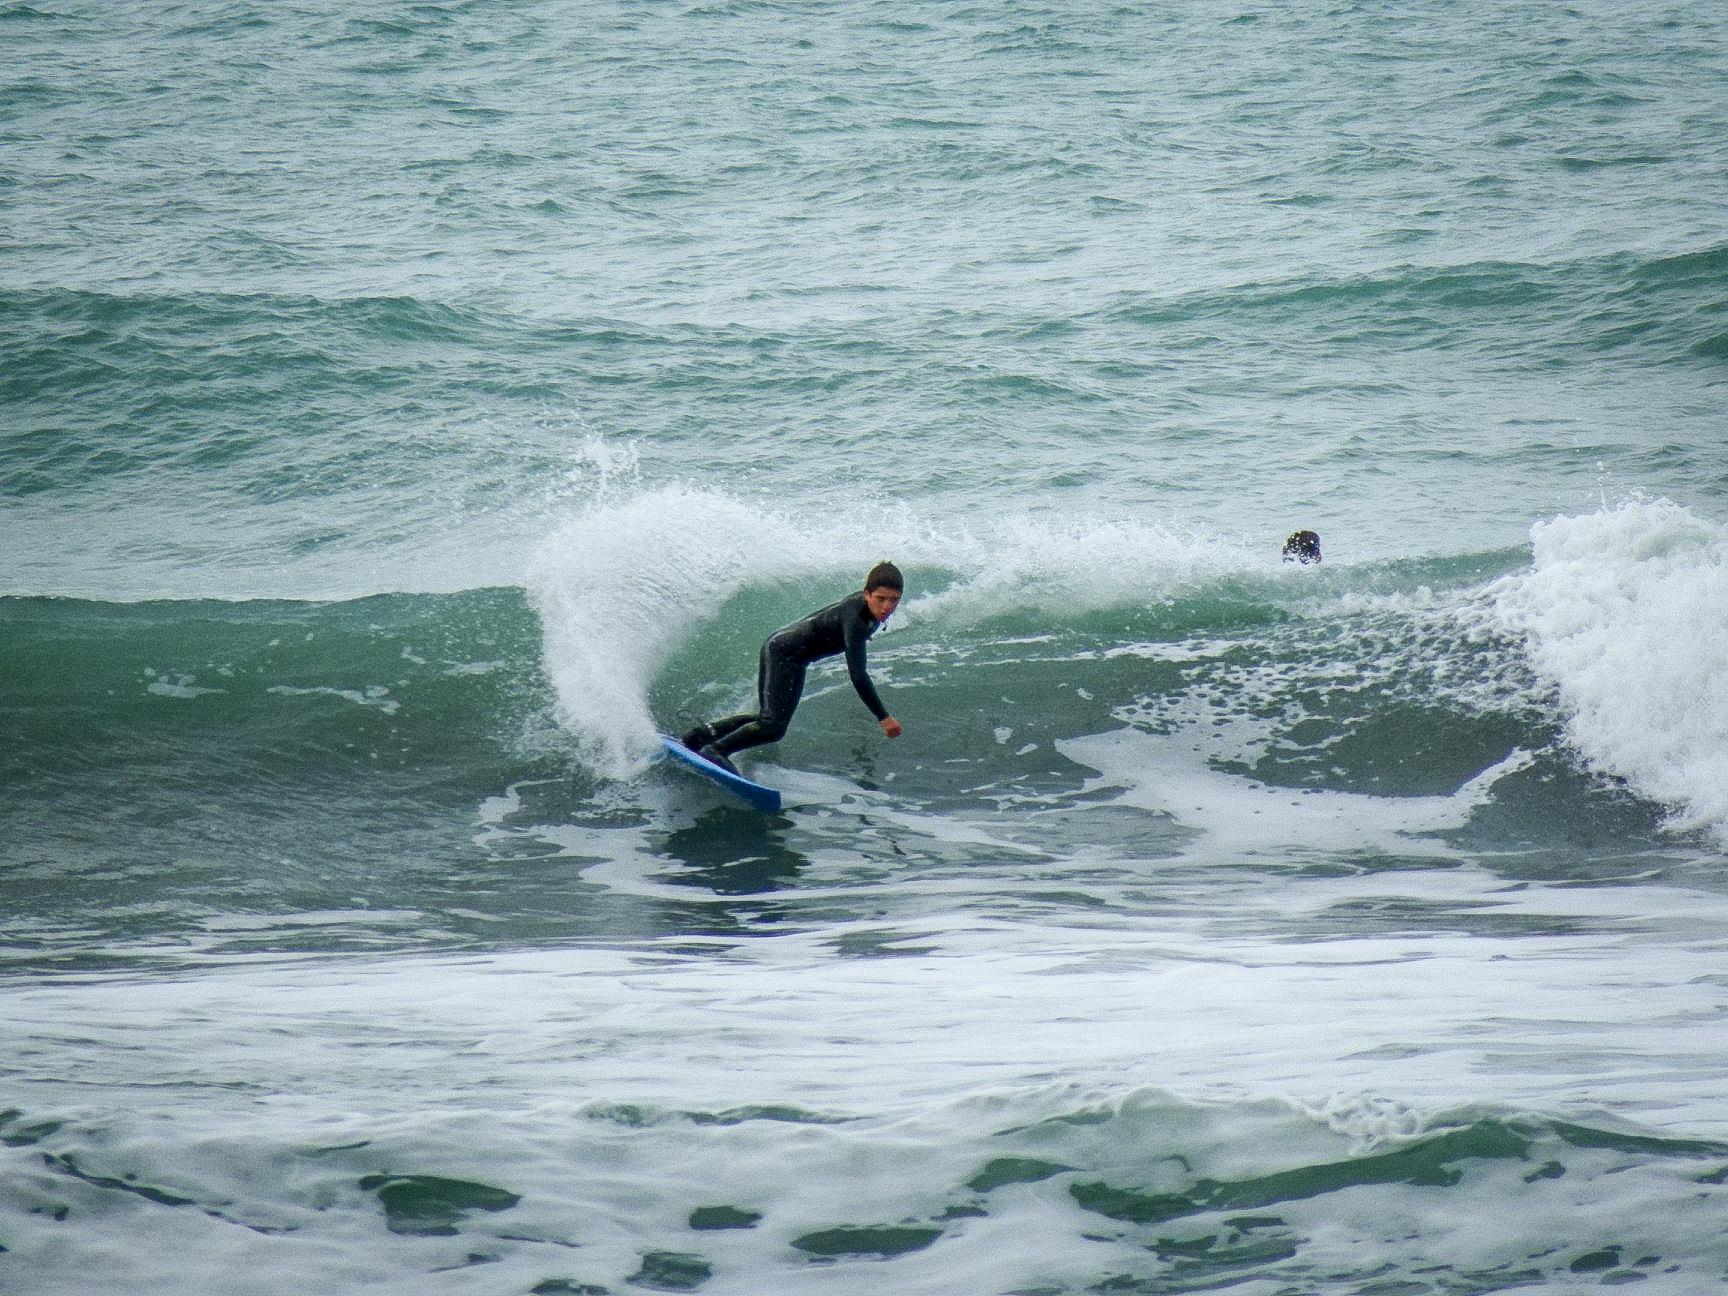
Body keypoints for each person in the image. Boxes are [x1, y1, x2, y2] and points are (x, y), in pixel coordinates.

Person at [682, 563, 904, 774]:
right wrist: (883, 717)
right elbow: (858, 674)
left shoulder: (868, 612)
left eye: (893, 600)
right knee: (773, 727)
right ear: (867, 594)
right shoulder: (855, 619)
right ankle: (716, 751)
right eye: (880, 599)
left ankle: (701, 736)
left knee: (766, 719)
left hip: (781, 648)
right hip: (786, 654)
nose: (887, 606)